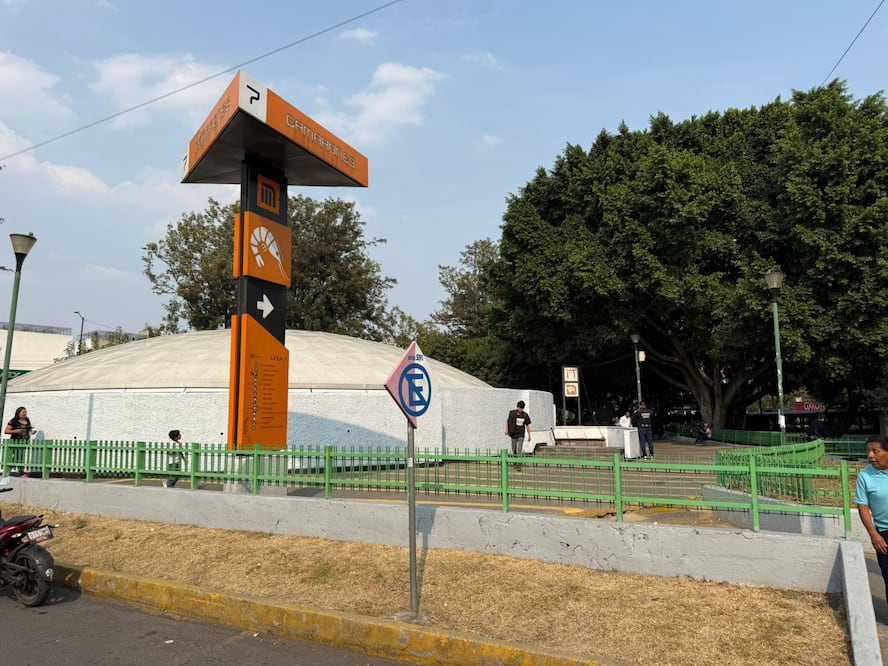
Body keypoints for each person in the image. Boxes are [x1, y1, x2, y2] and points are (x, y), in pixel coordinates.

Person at [855, 434, 888, 599]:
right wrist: (874, 534)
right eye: (869, 451)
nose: (870, 456)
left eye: (875, 451)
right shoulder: (865, 476)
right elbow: (863, 507)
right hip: (884, 535)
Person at [5, 406, 35, 475]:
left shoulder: (27, 419)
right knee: (18, 457)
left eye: (26, 412)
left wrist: (31, 431)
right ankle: (21, 472)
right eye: (23, 412)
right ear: (18, 413)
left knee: (19, 456)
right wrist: (16, 431)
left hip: (24, 442)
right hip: (16, 441)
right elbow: (6, 431)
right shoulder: (13, 421)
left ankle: (7, 470)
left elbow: (28, 429)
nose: (25, 413)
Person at [504, 401, 532, 471]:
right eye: (519, 408)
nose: (520, 410)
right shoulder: (512, 413)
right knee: (514, 449)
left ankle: (519, 466)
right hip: (513, 434)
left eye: (522, 408)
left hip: (521, 434)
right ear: (517, 407)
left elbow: (527, 425)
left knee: (519, 449)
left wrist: (529, 435)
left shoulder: (525, 415)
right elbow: (507, 422)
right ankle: (515, 463)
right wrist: (506, 430)